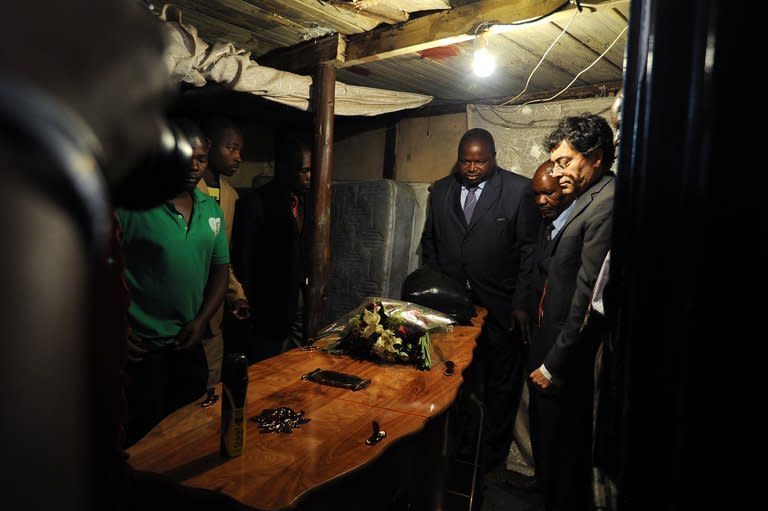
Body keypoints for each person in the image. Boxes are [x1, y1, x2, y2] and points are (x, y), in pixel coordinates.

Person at [420, 128, 539, 476]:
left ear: (494, 158)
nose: (471, 167)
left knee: (501, 386)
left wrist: (520, 303)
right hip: (453, 310)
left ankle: (491, 461)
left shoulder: (518, 191)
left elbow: (530, 251)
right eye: (465, 161)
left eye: (480, 161)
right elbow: (430, 243)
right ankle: (452, 450)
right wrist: (434, 290)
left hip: (502, 309)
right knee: (453, 380)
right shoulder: (441, 190)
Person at [118, 118, 230, 447]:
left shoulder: (212, 210)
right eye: (185, 157)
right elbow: (95, 269)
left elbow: (220, 271)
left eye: (201, 159)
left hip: (188, 343)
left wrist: (201, 320)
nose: (193, 166)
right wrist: (116, 326)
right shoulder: (133, 205)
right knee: (143, 442)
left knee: (189, 433)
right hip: (142, 351)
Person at [527, 113, 615, 511]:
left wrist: (553, 364)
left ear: (595, 158)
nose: (558, 171)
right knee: (549, 444)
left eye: (565, 161)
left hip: (570, 353)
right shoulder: (586, 197)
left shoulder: (608, 203)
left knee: (565, 450)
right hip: (552, 337)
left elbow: (588, 295)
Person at [231, 136, 312, 361]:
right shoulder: (257, 202)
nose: (309, 177)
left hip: (297, 296)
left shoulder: (307, 201)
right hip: (268, 303)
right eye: (304, 170)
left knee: (296, 357)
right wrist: (245, 299)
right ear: (286, 169)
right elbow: (243, 258)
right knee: (266, 360)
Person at [196, 117, 250, 405]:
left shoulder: (230, 196)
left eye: (240, 150)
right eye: (232, 148)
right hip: (185, 309)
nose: (238, 157)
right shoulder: (188, 191)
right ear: (210, 146)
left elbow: (221, 258)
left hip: (214, 313)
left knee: (211, 389)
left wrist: (236, 296)